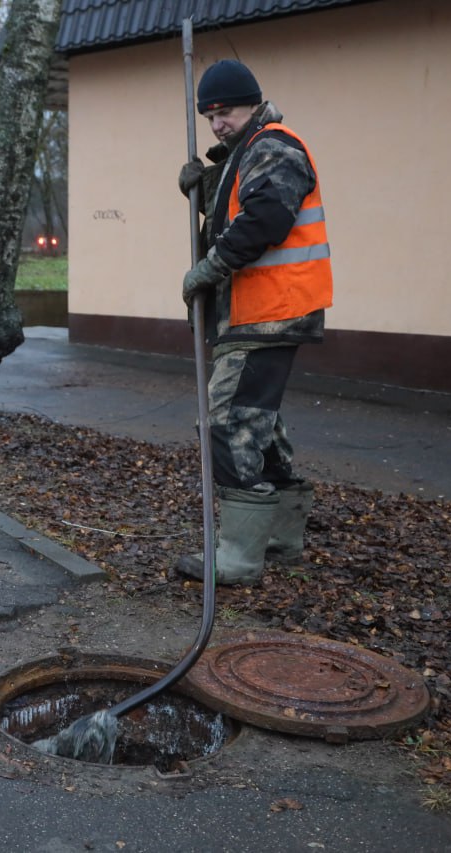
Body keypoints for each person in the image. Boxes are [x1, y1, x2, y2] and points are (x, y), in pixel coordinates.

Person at [174, 59, 332, 586]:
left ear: (253, 103)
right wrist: (205, 189)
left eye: (226, 111)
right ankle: (280, 540)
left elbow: (265, 220)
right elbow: (236, 219)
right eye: (210, 115)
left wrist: (209, 268)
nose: (217, 123)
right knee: (259, 424)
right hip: (257, 313)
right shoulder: (246, 154)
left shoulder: (272, 145)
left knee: (229, 422)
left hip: (267, 311)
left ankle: (240, 559)